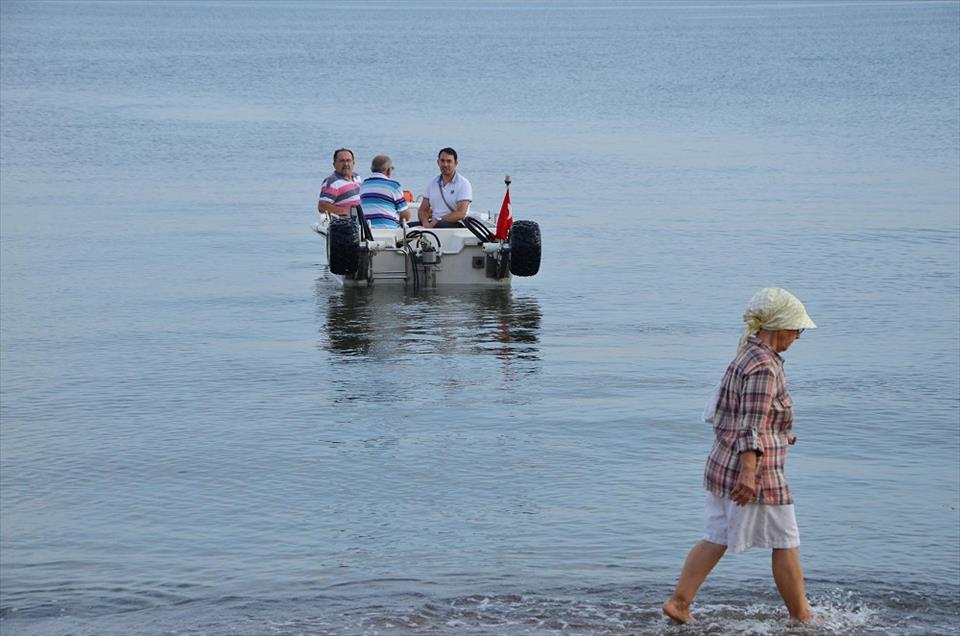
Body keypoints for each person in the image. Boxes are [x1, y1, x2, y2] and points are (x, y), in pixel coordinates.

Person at [663, 287, 818, 625]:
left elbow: (732, 412)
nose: (797, 337)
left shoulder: (747, 353)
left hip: (724, 462)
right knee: (786, 540)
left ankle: (679, 602)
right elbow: (749, 422)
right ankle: (802, 616)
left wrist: (779, 433)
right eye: (796, 329)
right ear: (779, 327)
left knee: (716, 535)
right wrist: (749, 473)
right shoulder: (764, 365)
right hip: (756, 471)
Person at [417, 147, 472, 228]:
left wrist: (438, 220)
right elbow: (423, 210)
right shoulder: (432, 183)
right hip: (435, 222)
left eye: (449, 161)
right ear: (438, 162)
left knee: (439, 225)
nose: (445, 164)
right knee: (407, 226)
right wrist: (425, 223)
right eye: (442, 161)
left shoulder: (463, 184)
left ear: (456, 163)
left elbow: (460, 214)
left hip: (456, 224)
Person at [359, 155, 410, 228]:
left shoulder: (363, 185)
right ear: (389, 170)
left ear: (371, 169)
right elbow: (406, 215)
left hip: (367, 231)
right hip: (389, 230)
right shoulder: (394, 186)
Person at [318, 148, 362, 217]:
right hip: (344, 225)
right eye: (342, 161)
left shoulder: (357, 177)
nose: (346, 164)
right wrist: (344, 211)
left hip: (360, 222)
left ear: (353, 163)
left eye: (348, 160)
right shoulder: (331, 182)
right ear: (334, 164)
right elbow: (322, 206)